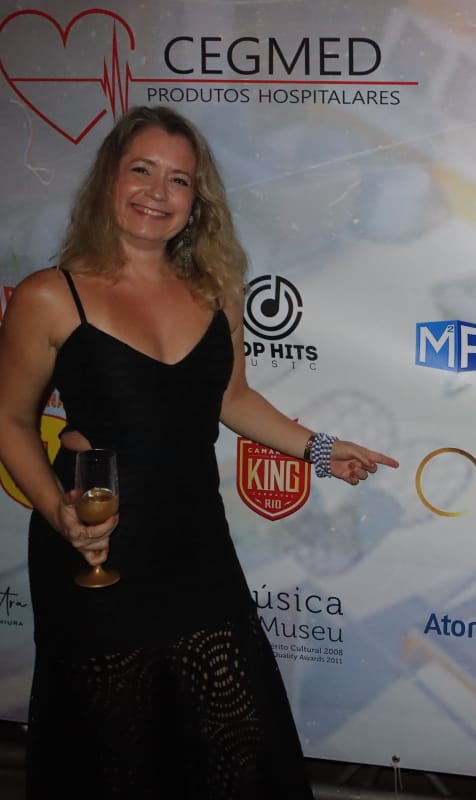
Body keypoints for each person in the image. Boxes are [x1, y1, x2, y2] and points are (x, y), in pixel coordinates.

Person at [0, 106, 399, 799]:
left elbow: (232, 398)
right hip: (99, 545)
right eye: (142, 170)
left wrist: (321, 449)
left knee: (237, 737)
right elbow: (9, 418)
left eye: (179, 180)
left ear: (196, 199)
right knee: (115, 747)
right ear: (109, 179)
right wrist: (59, 512)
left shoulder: (215, 292)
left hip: (196, 544)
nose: (158, 192)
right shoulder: (50, 295)